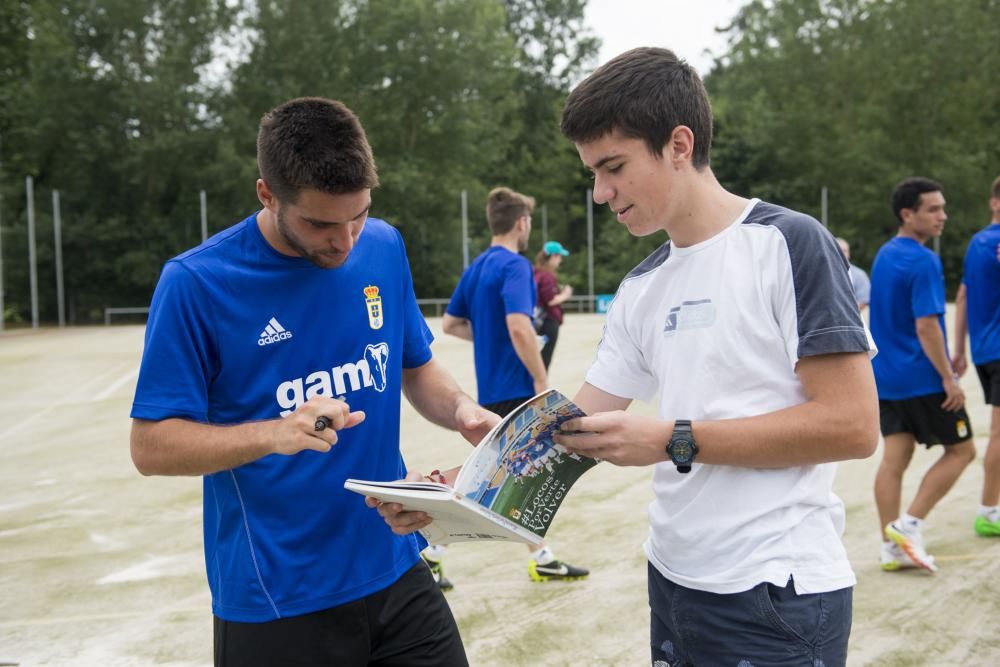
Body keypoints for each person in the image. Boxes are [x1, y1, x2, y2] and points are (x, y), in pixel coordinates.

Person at [385, 46, 877, 666]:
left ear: (678, 144)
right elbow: (571, 427)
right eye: (592, 172)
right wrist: (449, 493)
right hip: (673, 580)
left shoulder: (787, 243)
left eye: (612, 167)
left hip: (775, 592)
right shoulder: (643, 287)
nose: (599, 193)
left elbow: (853, 426)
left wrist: (671, 439)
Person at [129, 97, 497, 667]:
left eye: (359, 215)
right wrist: (274, 434)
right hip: (278, 597)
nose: (345, 241)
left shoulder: (383, 246)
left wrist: (463, 412)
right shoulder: (196, 283)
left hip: (395, 563)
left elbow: (413, 365)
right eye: (322, 223)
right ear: (267, 194)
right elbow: (151, 446)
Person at [423, 187, 588, 587]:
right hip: (518, 386)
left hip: (491, 388)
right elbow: (519, 326)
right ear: (522, 223)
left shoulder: (477, 266)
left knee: (510, 476)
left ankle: (536, 556)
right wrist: (541, 380)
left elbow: (451, 324)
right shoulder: (515, 266)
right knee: (509, 477)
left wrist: (490, 340)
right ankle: (432, 550)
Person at [869, 176, 975, 574]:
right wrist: (949, 377)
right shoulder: (923, 260)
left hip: (886, 378)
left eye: (942, 208)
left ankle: (888, 547)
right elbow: (927, 326)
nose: (942, 216)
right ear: (907, 214)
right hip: (922, 379)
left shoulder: (884, 255)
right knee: (963, 450)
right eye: (933, 209)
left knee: (895, 458)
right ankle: (908, 525)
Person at [952, 175, 1000, 537]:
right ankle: (988, 510)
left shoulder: (975, 243)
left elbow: (964, 295)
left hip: (984, 350)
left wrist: (959, 348)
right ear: (994, 202)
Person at [533, 240, 574, 369]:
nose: (560, 260)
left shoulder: (537, 272)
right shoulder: (547, 276)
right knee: (544, 361)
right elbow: (550, 300)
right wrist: (565, 294)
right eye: (559, 256)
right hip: (548, 322)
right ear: (552, 257)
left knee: (536, 360)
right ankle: (540, 387)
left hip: (537, 322)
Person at [836, 236, 871, 312]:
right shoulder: (824, 273)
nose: (842, 253)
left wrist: (845, 314)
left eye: (844, 250)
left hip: (854, 319)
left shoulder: (859, 275)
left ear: (849, 253)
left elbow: (864, 300)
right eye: (838, 250)